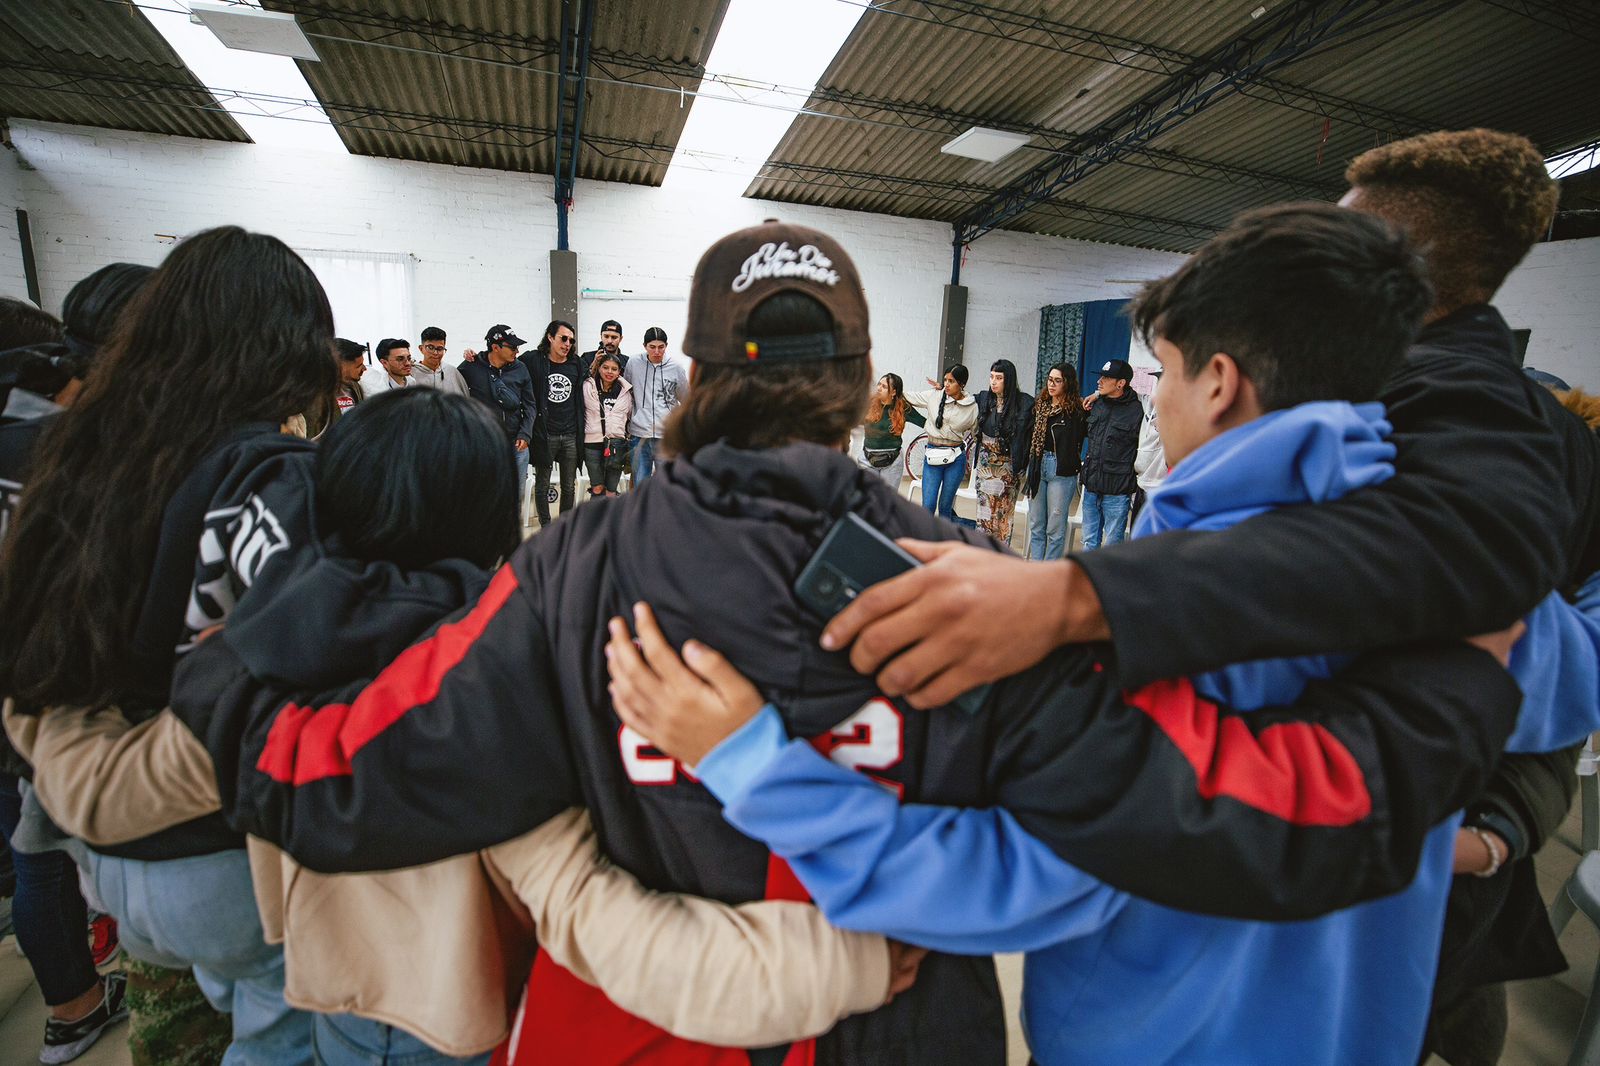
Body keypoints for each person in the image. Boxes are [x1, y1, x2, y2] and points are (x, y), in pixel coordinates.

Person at [167, 221, 1524, 1065]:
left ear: (689, 379)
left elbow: (343, 772)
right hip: (903, 1030)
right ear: (868, 388)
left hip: (646, 1031)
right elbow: (1245, 811)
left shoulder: (574, 565)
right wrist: (1466, 680)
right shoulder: (992, 592)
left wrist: (216, 666)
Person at [602, 203, 1597, 1066]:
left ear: (1217, 380)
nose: (1156, 396)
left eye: (1159, 371)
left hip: (1147, 1038)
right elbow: (1560, 690)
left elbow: (1013, 879)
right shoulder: (1475, 593)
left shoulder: (1136, 611)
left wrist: (757, 766)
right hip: (1354, 1030)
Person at [12, 384, 914, 1064]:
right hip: (447, 1016)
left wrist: (33, 683)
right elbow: (600, 925)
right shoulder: (495, 686)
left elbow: (108, 790)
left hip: (329, 988)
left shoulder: (255, 661)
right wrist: (849, 964)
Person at [0, 227, 341, 1062]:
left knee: (197, 1022)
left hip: (103, 852)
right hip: (222, 848)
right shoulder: (266, 473)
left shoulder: (74, 452)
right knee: (280, 1036)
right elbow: (324, 659)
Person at [0, 264, 153, 1064]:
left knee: (34, 855)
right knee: (54, 855)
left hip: (28, 700)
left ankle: (71, 999)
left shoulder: (34, 441)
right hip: (64, 697)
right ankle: (81, 999)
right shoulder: (90, 457)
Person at [458, 324, 536, 513]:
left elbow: (530, 405)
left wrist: (525, 434)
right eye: (512, 347)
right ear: (495, 347)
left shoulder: (520, 368)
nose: (517, 351)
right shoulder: (471, 367)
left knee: (514, 498)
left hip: (516, 445)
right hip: (484, 445)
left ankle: (510, 540)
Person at [1077, 357, 1142, 549]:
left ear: (1121, 383)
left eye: (1106, 378)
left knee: (1113, 545)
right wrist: (1097, 395)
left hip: (1117, 490)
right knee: (1089, 541)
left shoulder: (1137, 410)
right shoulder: (1097, 404)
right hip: (1091, 485)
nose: (1100, 381)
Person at [1024, 363, 1086, 560]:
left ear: (1067, 383)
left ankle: (1049, 575)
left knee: (1055, 527)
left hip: (1061, 469)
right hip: (1037, 466)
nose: (1052, 385)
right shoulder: (1040, 406)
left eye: (1057, 381)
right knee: (1036, 524)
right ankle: (1035, 573)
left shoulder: (1077, 411)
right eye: (1050, 380)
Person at [524, 320, 584, 525]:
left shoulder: (576, 363)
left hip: (570, 434)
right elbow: (507, 361)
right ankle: (546, 528)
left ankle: (563, 528)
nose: (568, 343)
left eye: (571, 340)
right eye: (563, 338)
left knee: (569, 486)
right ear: (550, 337)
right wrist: (474, 356)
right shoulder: (534, 360)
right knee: (543, 484)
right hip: (545, 433)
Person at [970, 358, 1033, 543]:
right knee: (984, 512)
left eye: (999, 377)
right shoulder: (984, 399)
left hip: (1007, 465)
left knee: (1003, 514)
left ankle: (1000, 556)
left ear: (1009, 380)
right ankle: (982, 553)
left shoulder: (1023, 403)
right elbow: (962, 399)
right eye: (991, 377)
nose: (993, 381)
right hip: (985, 463)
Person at [903, 365, 976, 521]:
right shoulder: (934, 396)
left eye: (952, 381)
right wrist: (891, 387)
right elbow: (908, 396)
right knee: (928, 505)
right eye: (945, 380)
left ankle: (944, 541)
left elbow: (978, 433)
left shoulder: (972, 406)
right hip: (932, 455)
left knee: (945, 507)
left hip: (956, 458)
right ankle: (925, 540)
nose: (947, 384)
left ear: (962, 384)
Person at [622, 326, 688, 484]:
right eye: (652, 347)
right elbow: (626, 393)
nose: (657, 351)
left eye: (661, 347)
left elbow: (686, 399)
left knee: (666, 482)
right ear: (645, 346)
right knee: (640, 482)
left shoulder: (676, 368)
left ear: (666, 346)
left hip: (666, 436)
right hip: (639, 434)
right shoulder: (633, 363)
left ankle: (664, 509)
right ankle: (641, 509)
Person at [858, 372, 924, 493]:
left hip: (892, 461)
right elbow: (852, 419)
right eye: (879, 384)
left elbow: (925, 423)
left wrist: (938, 396)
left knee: (886, 500)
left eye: (884, 386)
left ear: (893, 392)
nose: (879, 388)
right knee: (868, 498)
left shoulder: (903, 407)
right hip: (867, 459)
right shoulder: (869, 403)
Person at [582, 352, 632, 498]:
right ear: (599, 368)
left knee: (611, 491)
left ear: (619, 372)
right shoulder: (587, 386)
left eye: (614, 369)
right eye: (605, 367)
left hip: (617, 444)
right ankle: (595, 520)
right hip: (592, 443)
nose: (609, 372)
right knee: (597, 488)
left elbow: (629, 416)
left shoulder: (626, 392)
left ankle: (611, 521)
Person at [1130, 382, 1168, 526]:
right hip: (1142, 483)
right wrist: (1096, 395)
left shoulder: (1182, 413)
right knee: (1136, 534)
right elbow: (1130, 394)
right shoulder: (1148, 403)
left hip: (1161, 487)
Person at [411, 326, 468, 396]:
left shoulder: (452, 372)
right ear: (421, 348)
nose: (435, 353)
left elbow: (465, 400)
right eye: (430, 348)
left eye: (440, 348)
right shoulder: (411, 373)